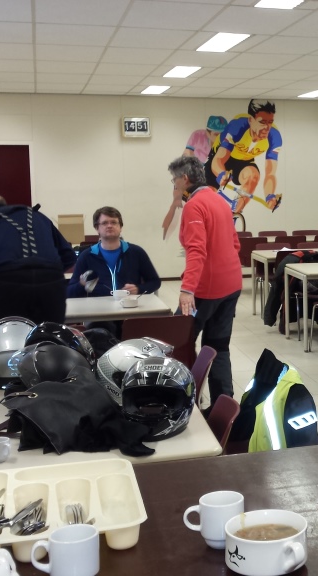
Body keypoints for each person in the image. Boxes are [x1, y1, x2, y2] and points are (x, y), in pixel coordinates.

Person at [169, 155, 242, 404]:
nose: (174, 184)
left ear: (185, 179)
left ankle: (183, 399)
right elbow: (235, 244)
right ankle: (224, 404)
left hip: (206, 289)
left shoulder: (194, 205)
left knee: (178, 341)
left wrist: (187, 289)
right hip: (231, 285)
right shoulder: (220, 201)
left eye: (174, 180)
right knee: (218, 346)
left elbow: (197, 250)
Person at [0, 195, 76, 337]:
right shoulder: (39, 217)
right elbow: (69, 256)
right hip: (51, 286)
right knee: (50, 342)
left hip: (8, 286)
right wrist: (46, 273)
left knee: (10, 345)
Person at [67, 207, 161, 337]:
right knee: (102, 334)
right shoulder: (87, 256)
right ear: (97, 228)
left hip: (131, 311)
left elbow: (155, 282)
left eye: (114, 222)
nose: (109, 226)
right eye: (104, 223)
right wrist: (81, 285)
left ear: (120, 227)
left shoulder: (136, 252)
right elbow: (69, 291)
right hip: (99, 314)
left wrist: (139, 289)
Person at [204, 99, 282, 216]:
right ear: (251, 120)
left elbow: (270, 173)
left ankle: (234, 215)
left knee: (253, 176)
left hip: (244, 161)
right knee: (208, 194)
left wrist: (270, 196)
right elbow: (219, 160)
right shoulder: (237, 126)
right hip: (222, 157)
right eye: (262, 122)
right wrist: (221, 174)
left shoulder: (275, 137)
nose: (267, 127)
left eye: (270, 122)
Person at [162, 115, 228, 239]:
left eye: (223, 134)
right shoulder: (197, 135)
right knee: (177, 202)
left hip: (210, 172)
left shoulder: (227, 143)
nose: (220, 138)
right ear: (208, 133)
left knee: (208, 201)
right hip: (194, 171)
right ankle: (166, 234)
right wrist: (187, 169)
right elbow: (187, 154)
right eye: (216, 134)